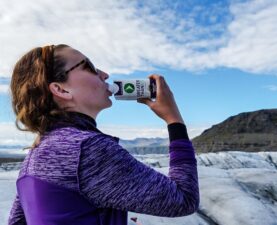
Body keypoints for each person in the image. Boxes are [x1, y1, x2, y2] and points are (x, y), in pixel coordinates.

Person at [8, 44, 199, 225]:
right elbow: (184, 199)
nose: (104, 74)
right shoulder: (87, 149)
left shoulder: (35, 154)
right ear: (61, 89)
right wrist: (174, 120)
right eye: (89, 67)